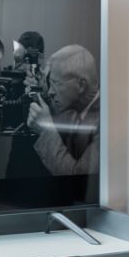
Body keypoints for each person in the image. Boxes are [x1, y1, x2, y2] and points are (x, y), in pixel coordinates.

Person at [27, 45, 99, 180]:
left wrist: (46, 131)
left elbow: (78, 179)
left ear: (81, 85)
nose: (50, 92)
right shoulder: (71, 108)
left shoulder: (106, 124)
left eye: (56, 84)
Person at [0, 31, 50, 178]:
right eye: (19, 58)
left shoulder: (51, 82)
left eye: (27, 60)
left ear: (39, 59)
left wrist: (38, 93)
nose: (21, 66)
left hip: (45, 166)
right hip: (17, 162)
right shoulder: (11, 79)